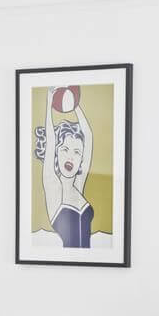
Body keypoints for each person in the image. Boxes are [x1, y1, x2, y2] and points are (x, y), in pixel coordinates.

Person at [34, 87, 94, 247]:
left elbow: (88, 136)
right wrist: (48, 105)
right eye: (65, 150)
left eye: (76, 152)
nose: (70, 157)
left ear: (81, 159)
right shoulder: (53, 186)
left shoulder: (78, 185)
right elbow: (51, 141)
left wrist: (75, 104)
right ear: (55, 154)